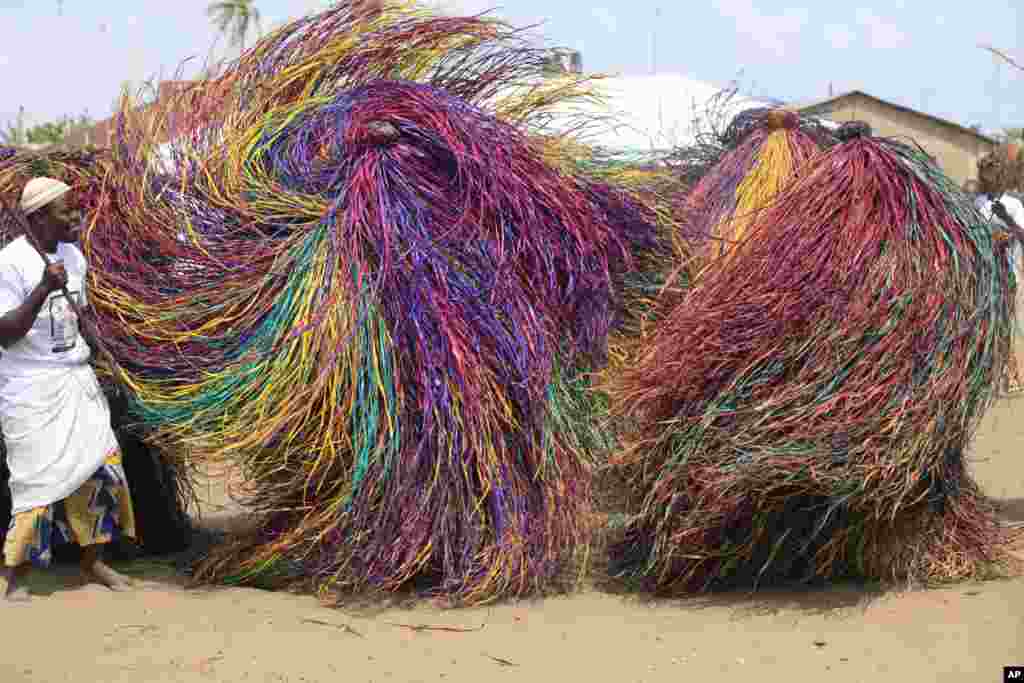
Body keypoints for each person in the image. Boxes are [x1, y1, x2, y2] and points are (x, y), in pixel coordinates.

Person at [0, 177, 136, 602]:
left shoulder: (75, 257)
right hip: (33, 388)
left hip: (76, 379)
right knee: (36, 480)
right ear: (39, 217)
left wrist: (104, 353)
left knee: (100, 465)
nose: (76, 217)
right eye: (67, 212)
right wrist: (43, 287)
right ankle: (16, 574)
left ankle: (92, 560)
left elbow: (83, 317)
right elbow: (5, 334)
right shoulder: (10, 263)